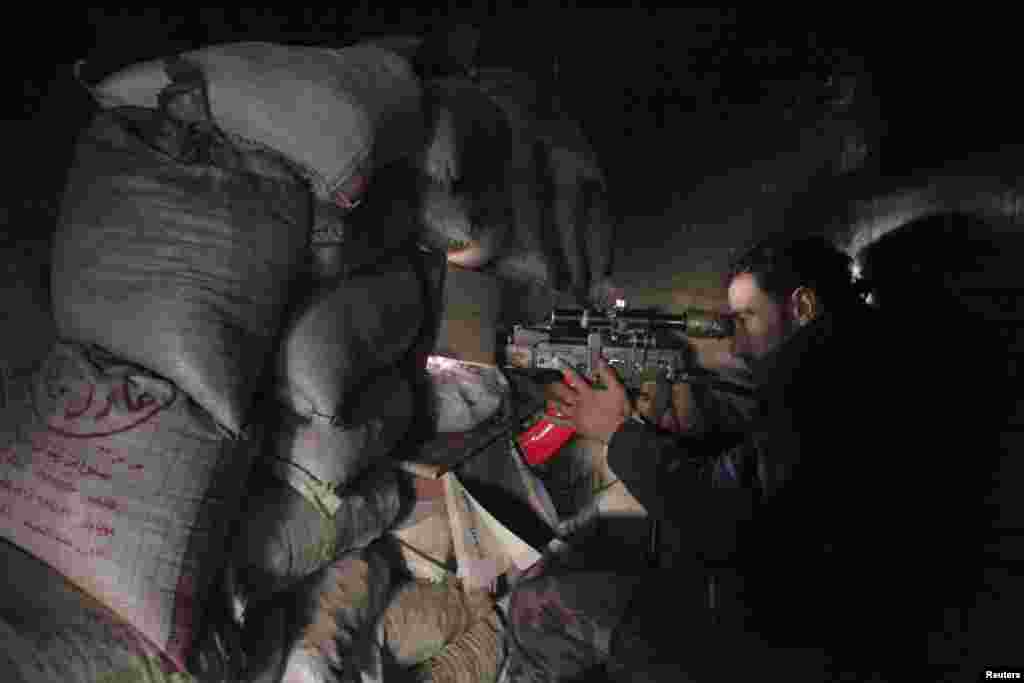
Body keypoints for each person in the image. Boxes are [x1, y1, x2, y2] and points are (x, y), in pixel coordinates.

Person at [508, 234, 944, 681]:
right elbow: (770, 491)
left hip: (782, 651)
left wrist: (618, 434)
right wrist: (680, 443)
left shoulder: (835, 392)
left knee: (536, 604)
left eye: (747, 318)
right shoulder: (858, 366)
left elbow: (719, 517)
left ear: (804, 306)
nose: (736, 346)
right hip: (793, 613)